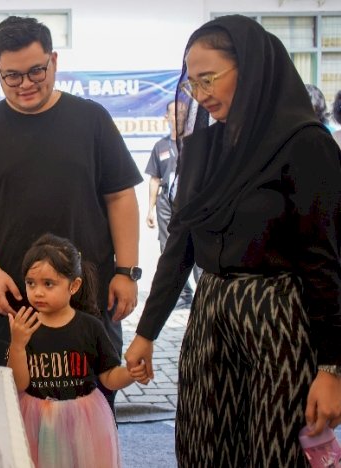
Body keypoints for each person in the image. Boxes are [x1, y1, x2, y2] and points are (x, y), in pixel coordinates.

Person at [125, 15, 341, 467]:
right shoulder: (204, 147)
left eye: (209, 79)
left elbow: (326, 264)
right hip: (211, 317)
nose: (200, 94)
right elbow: (179, 245)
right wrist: (146, 333)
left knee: (275, 453)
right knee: (205, 447)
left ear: (253, 69)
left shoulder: (306, 145)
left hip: (279, 323)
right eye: (192, 83)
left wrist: (330, 369)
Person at [0, 15, 142, 411]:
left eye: (36, 70)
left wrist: (127, 272)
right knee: (18, 407)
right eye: (12, 76)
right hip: (14, 298)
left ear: (54, 60)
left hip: (87, 297)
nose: (26, 84)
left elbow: (121, 197)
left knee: (94, 403)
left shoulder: (91, 119)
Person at [8, 233, 148, 468]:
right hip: (36, 421)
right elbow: (19, 384)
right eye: (31, 283)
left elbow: (108, 378)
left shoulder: (90, 327)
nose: (38, 292)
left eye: (48, 284)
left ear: (74, 285)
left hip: (84, 421)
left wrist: (130, 373)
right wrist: (17, 344)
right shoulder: (25, 325)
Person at [144, 100, 195, 309]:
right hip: (166, 203)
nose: (178, 117)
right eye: (174, 113)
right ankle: (182, 296)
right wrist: (150, 209)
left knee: (196, 247)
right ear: (167, 117)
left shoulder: (194, 143)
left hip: (191, 201)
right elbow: (155, 179)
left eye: (182, 113)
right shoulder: (161, 146)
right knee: (169, 249)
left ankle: (203, 291)